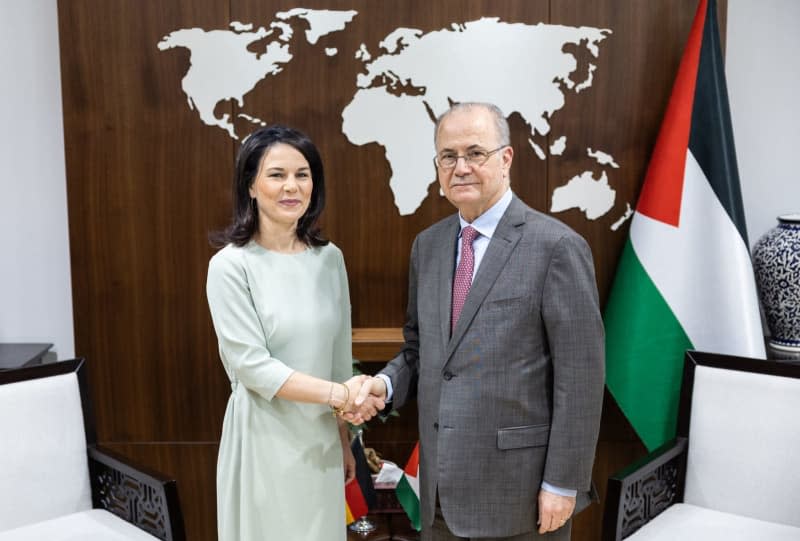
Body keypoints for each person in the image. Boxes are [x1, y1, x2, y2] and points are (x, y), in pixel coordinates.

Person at [351, 102, 605, 540]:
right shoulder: (427, 247)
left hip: (521, 496)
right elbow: (421, 350)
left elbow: (580, 377)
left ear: (506, 159)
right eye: (448, 156)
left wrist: (563, 482)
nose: (461, 167)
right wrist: (386, 385)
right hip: (440, 493)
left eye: (475, 153)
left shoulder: (556, 247)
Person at [206, 125, 382, 541]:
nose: (292, 186)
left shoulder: (329, 258)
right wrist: (340, 397)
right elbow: (253, 368)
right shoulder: (231, 266)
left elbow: (339, 357)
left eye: (302, 174)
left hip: (320, 443)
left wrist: (345, 438)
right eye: (276, 174)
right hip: (263, 442)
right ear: (250, 185)